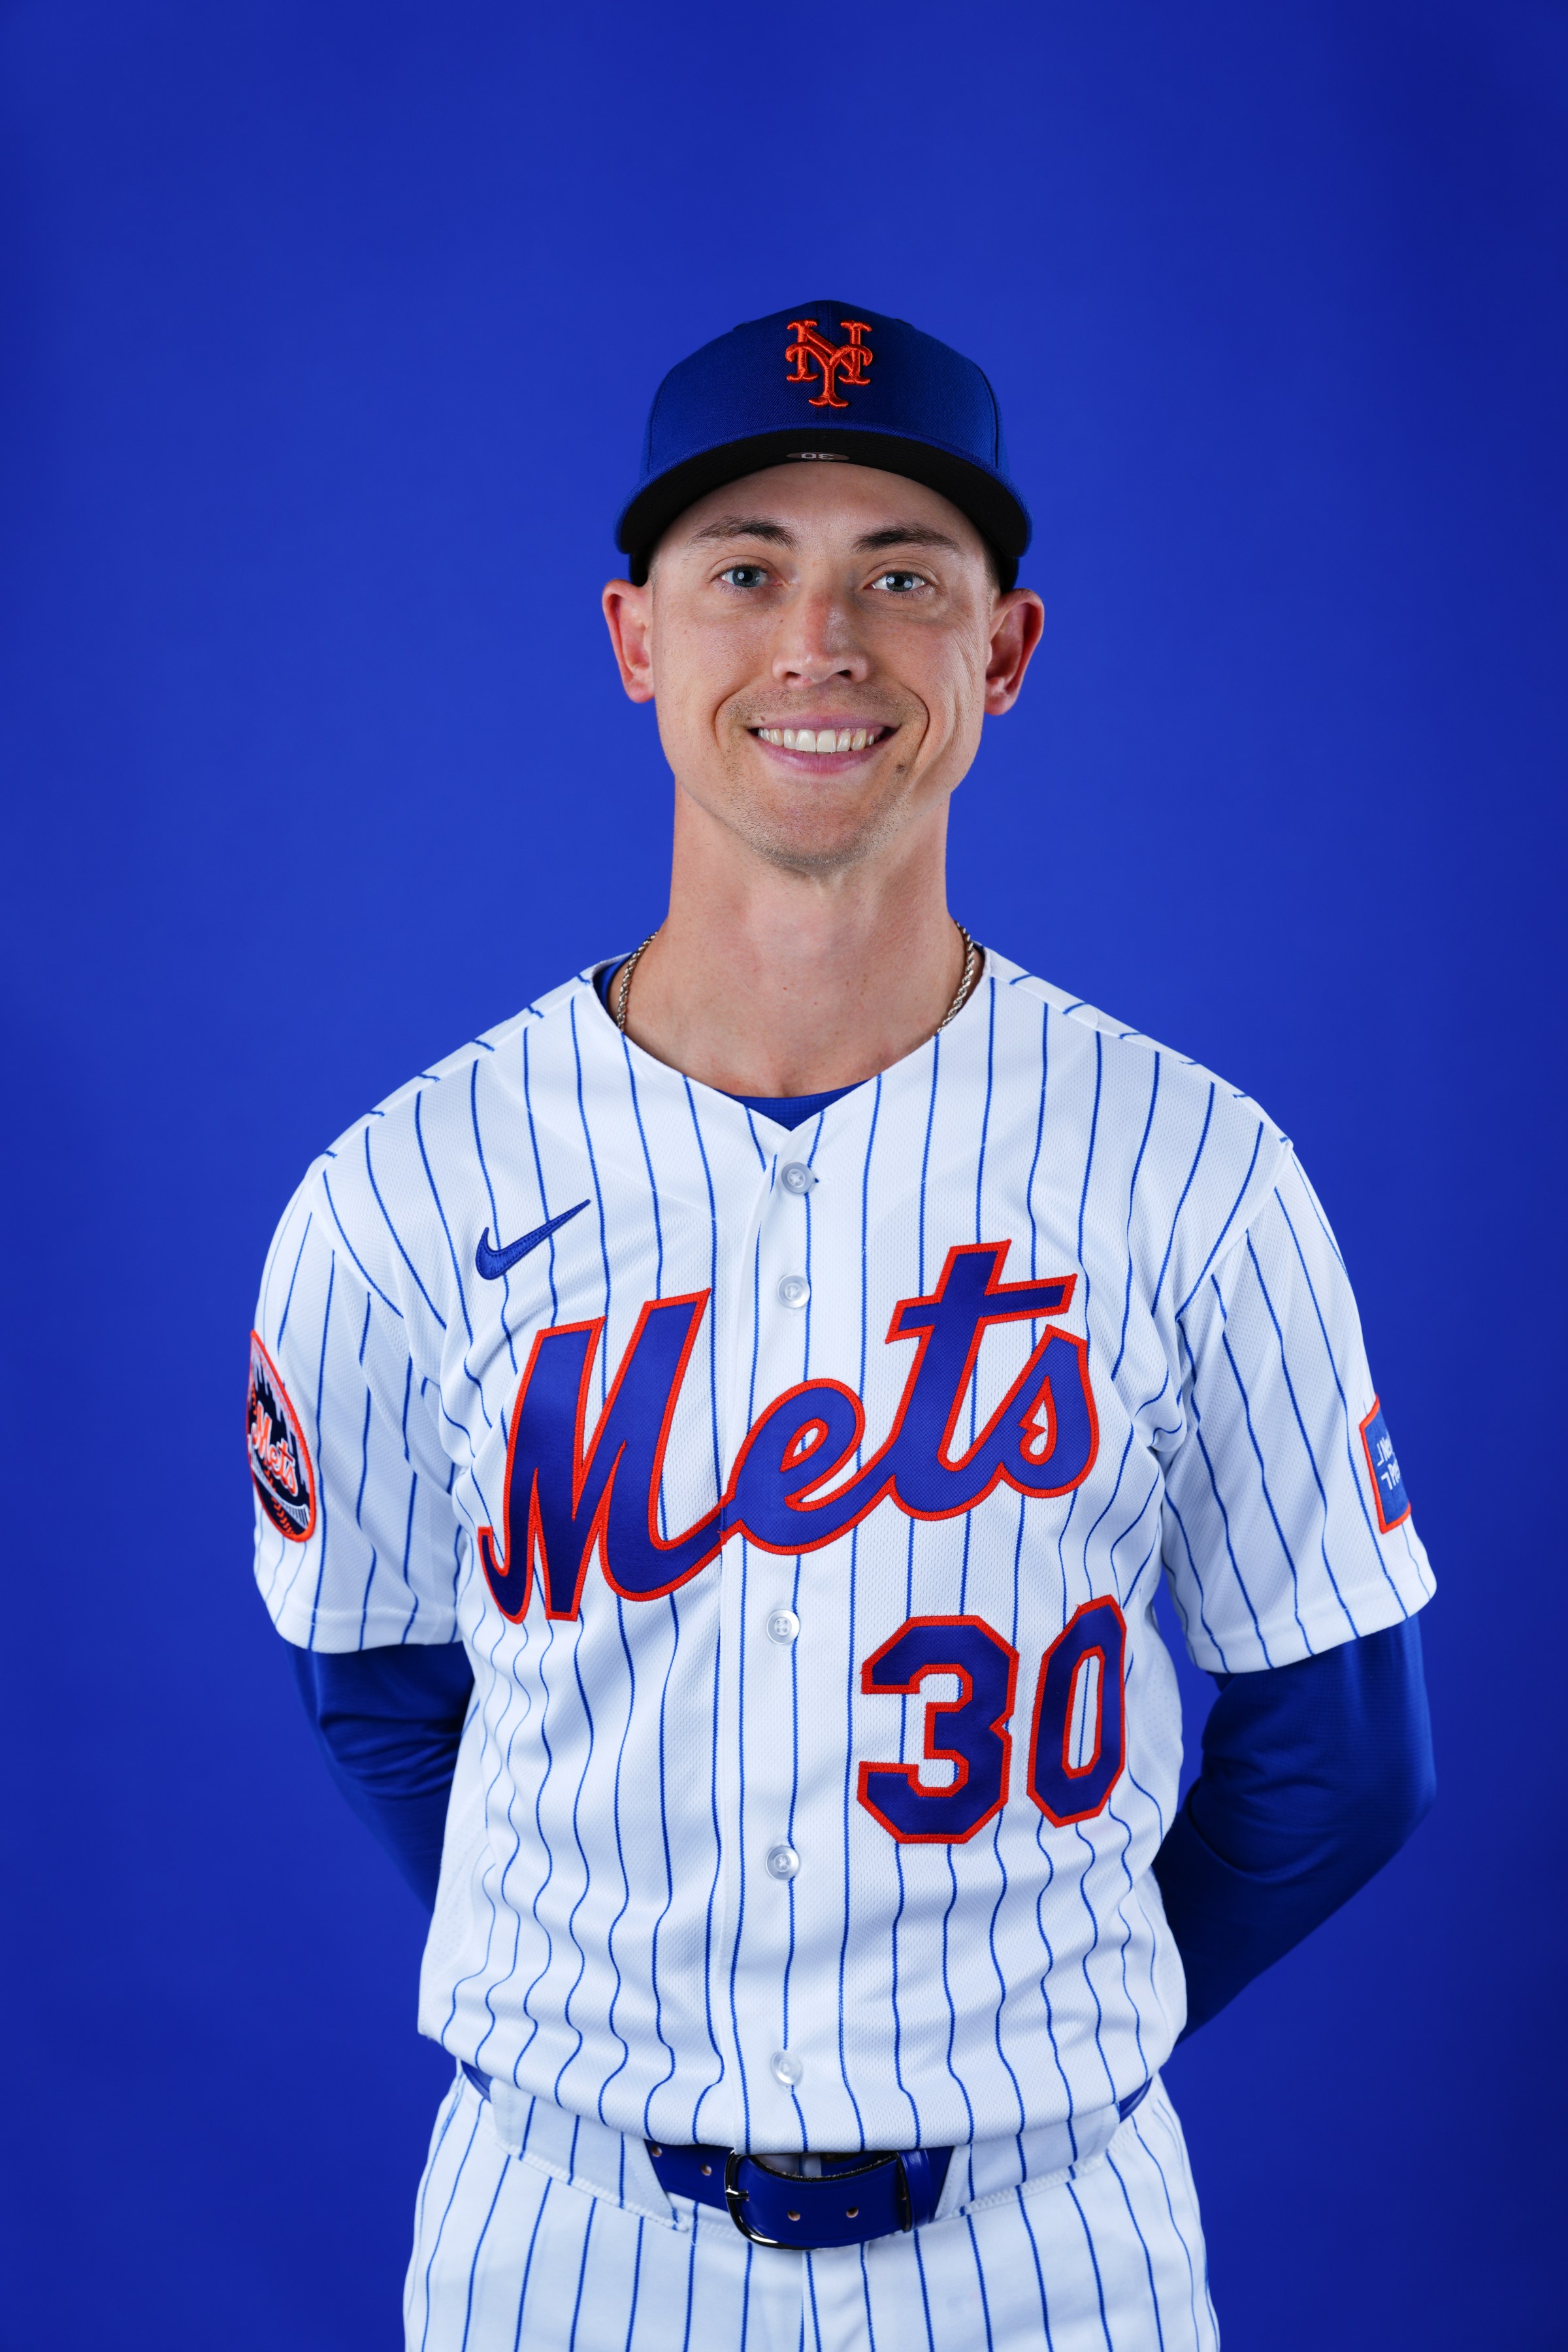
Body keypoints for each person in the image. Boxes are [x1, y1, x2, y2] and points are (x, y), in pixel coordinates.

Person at [250, 303, 1435, 2351]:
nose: (823, 643)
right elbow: (374, 1690)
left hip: (1051, 2249)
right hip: (565, 2243)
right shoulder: (397, 1195)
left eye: (903, 575)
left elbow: (1344, 1757)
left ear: (1006, 651)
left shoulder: (1193, 1171)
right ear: (637, 637)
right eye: (746, 572)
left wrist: (1029, 2023)